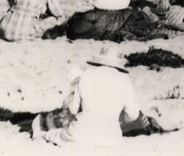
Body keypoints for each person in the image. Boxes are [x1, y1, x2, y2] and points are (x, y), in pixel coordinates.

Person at [31, 46, 164, 146]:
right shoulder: (125, 80)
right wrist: (121, 122)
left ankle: (40, 133)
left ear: (100, 59)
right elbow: (133, 115)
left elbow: (73, 109)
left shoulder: (86, 75)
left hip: (81, 134)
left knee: (56, 135)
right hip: (111, 139)